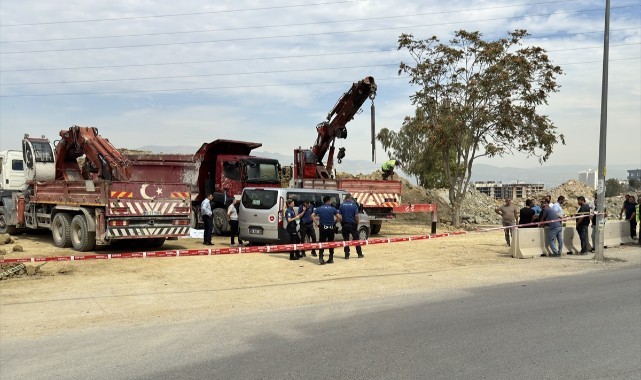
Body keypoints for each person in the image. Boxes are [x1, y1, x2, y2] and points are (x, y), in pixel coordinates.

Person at [312, 195, 341, 265]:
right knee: (331, 243)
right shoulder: (333, 209)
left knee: (322, 243)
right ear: (329, 201)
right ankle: (331, 258)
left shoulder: (319, 208)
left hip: (323, 228)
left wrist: (317, 224)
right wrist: (334, 223)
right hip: (331, 228)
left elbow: (312, 216)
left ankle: (321, 258)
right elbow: (339, 217)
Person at [338, 194, 364, 259]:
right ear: (350, 198)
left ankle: (346, 255)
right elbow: (356, 216)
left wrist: (342, 224)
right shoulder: (354, 205)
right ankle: (359, 254)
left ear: (345, 198)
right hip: (353, 225)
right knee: (356, 240)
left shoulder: (342, 205)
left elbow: (340, 217)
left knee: (346, 240)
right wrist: (357, 224)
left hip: (345, 225)